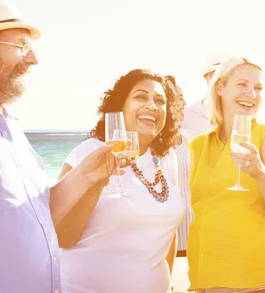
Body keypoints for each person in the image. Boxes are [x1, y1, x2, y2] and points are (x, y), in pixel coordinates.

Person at [0, 0, 126, 293]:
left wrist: (86, 176)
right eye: (21, 47)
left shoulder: (13, 128)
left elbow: (38, 216)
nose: (33, 60)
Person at [57, 69, 187, 293]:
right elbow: (62, 237)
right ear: (120, 106)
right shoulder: (88, 153)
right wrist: (95, 186)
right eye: (140, 97)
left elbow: (167, 230)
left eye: (160, 101)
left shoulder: (167, 158)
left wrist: (171, 282)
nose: (152, 106)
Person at [187, 57, 265, 292]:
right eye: (242, 85)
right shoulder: (198, 145)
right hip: (212, 279)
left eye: (258, 88)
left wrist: (259, 173)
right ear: (220, 88)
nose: (252, 93)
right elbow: (204, 213)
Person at [167, 74, 196, 257]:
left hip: (196, 236)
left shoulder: (191, 137)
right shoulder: (149, 146)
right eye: (179, 99)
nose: (184, 103)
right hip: (169, 241)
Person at [182, 60, 219, 134]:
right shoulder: (187, 116)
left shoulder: (238, 114)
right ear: (206, 78)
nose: (219, 81)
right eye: (215, 76)